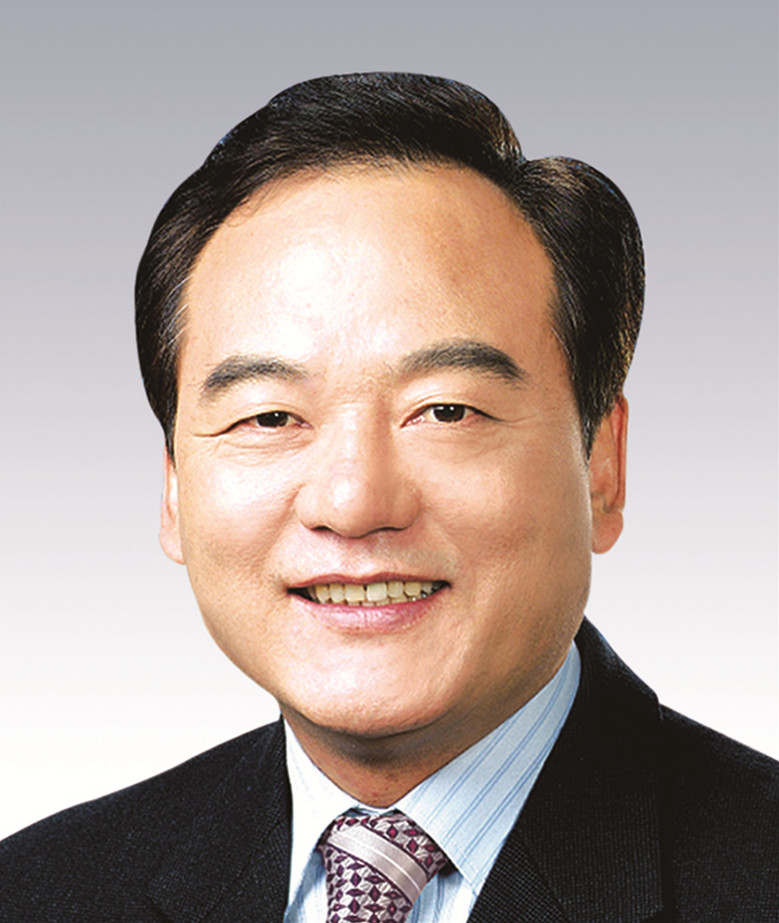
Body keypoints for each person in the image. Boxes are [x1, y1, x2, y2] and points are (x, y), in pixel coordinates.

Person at [1, 72, 776, 922]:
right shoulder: (40, 889)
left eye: (445, 410)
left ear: (601, 463)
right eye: (269, 416)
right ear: (173, 488)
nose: (353, 501)